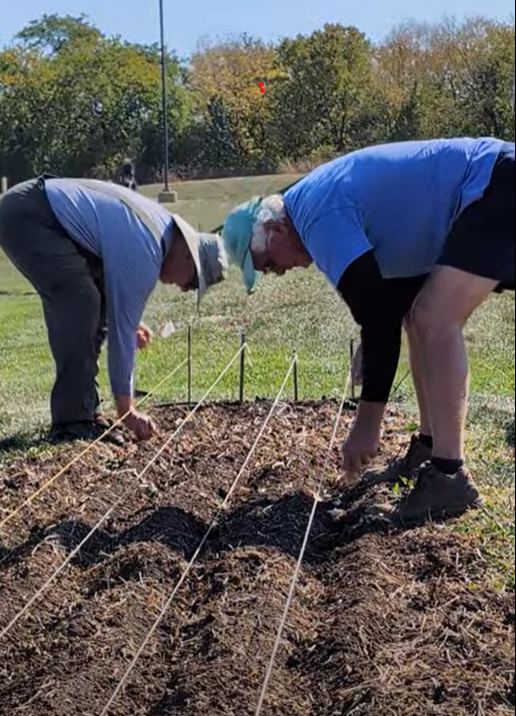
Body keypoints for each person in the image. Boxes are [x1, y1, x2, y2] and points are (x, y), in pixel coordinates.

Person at [222, 138, 515, 524]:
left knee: (434, 317)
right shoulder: (310, 206)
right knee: (417, 314)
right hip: (488, 186)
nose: (273, 272)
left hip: (496, 184)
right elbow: (385, 301)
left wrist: (366, 425)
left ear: (275, 230)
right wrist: (372, 334)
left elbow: (377, 319)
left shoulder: (317, 217)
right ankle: (430, 449)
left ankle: (449, 476)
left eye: (264, 263)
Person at [0, 177, 227, 446]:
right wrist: (127, 412)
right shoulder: (148, 249)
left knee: (97, 303)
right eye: (191, 283)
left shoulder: (158, 230)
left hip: (36, 209)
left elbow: (117, 293)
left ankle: (84, 412)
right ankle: (72, 422)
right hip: (30, 215)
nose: (183, 288)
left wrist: (129, 321)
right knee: (81, 302)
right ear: (190, 257)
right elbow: (122, 337)